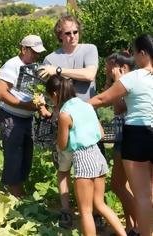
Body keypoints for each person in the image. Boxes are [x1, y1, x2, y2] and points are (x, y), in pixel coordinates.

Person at [38, 14, 102, 228]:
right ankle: (66, 210)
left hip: (87, 118)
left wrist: (58, 71)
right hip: (63, 118)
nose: (73, 36)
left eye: (75, 31)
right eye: (67, 33)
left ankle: (94, 211)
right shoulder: (49, 58)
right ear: (60, 35)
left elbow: (90, 74)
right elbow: (49, 91)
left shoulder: (89, 49)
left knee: (91, 169)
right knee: (64, 168)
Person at [42, 74, 126, 236]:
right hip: (98, 157)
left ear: (53, 94)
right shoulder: (87, 105)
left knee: (85, 212)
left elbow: (62, 144)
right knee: (100, 205)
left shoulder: (64, 114)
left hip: (83, 159)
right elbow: (101, 134)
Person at [89, 34, 153, 236]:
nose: (134, 58)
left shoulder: (133, 77)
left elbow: (102, 99)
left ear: (143, 53)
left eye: (135, 53)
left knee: (143, 195)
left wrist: (73, 105)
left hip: (137, 135)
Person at [0, 35, 46, 197]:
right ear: (24, 49)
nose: (37, 55)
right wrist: (23, 104)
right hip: (11, 117)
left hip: (27, 118)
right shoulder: (12, 65)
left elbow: (33, 92)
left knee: (26, 155)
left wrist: (41, 108)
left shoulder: (33, 66)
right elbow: (0, 93)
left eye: (39, 52)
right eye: (34, 52)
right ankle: (15, 194)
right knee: (14, 155)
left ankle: (19, 190)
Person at [104, 52, 138, 236]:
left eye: (109, 66)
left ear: (121, 68)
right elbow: (106, 93)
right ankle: (131, 227)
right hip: (123, 136)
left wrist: (116, 81)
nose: (106, 70)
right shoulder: (126, 81)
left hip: (127, 137)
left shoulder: (129, 83)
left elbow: (117, 107)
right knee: (125, 186)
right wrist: (110, 80)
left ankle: (142, 222)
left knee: (118, 185)